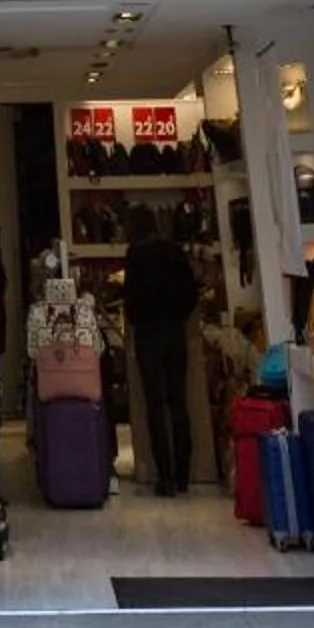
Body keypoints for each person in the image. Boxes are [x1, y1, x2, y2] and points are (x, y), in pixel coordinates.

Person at [122, 202, 199, 496]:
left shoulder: (136, 256)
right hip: (175, 333)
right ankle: (183, 474)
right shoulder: (174, 251)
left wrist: (139, 317)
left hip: (148, 335)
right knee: (178, 403)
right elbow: (191, 292)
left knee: (155, 405)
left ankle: (164, 477)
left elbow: (131, 299)